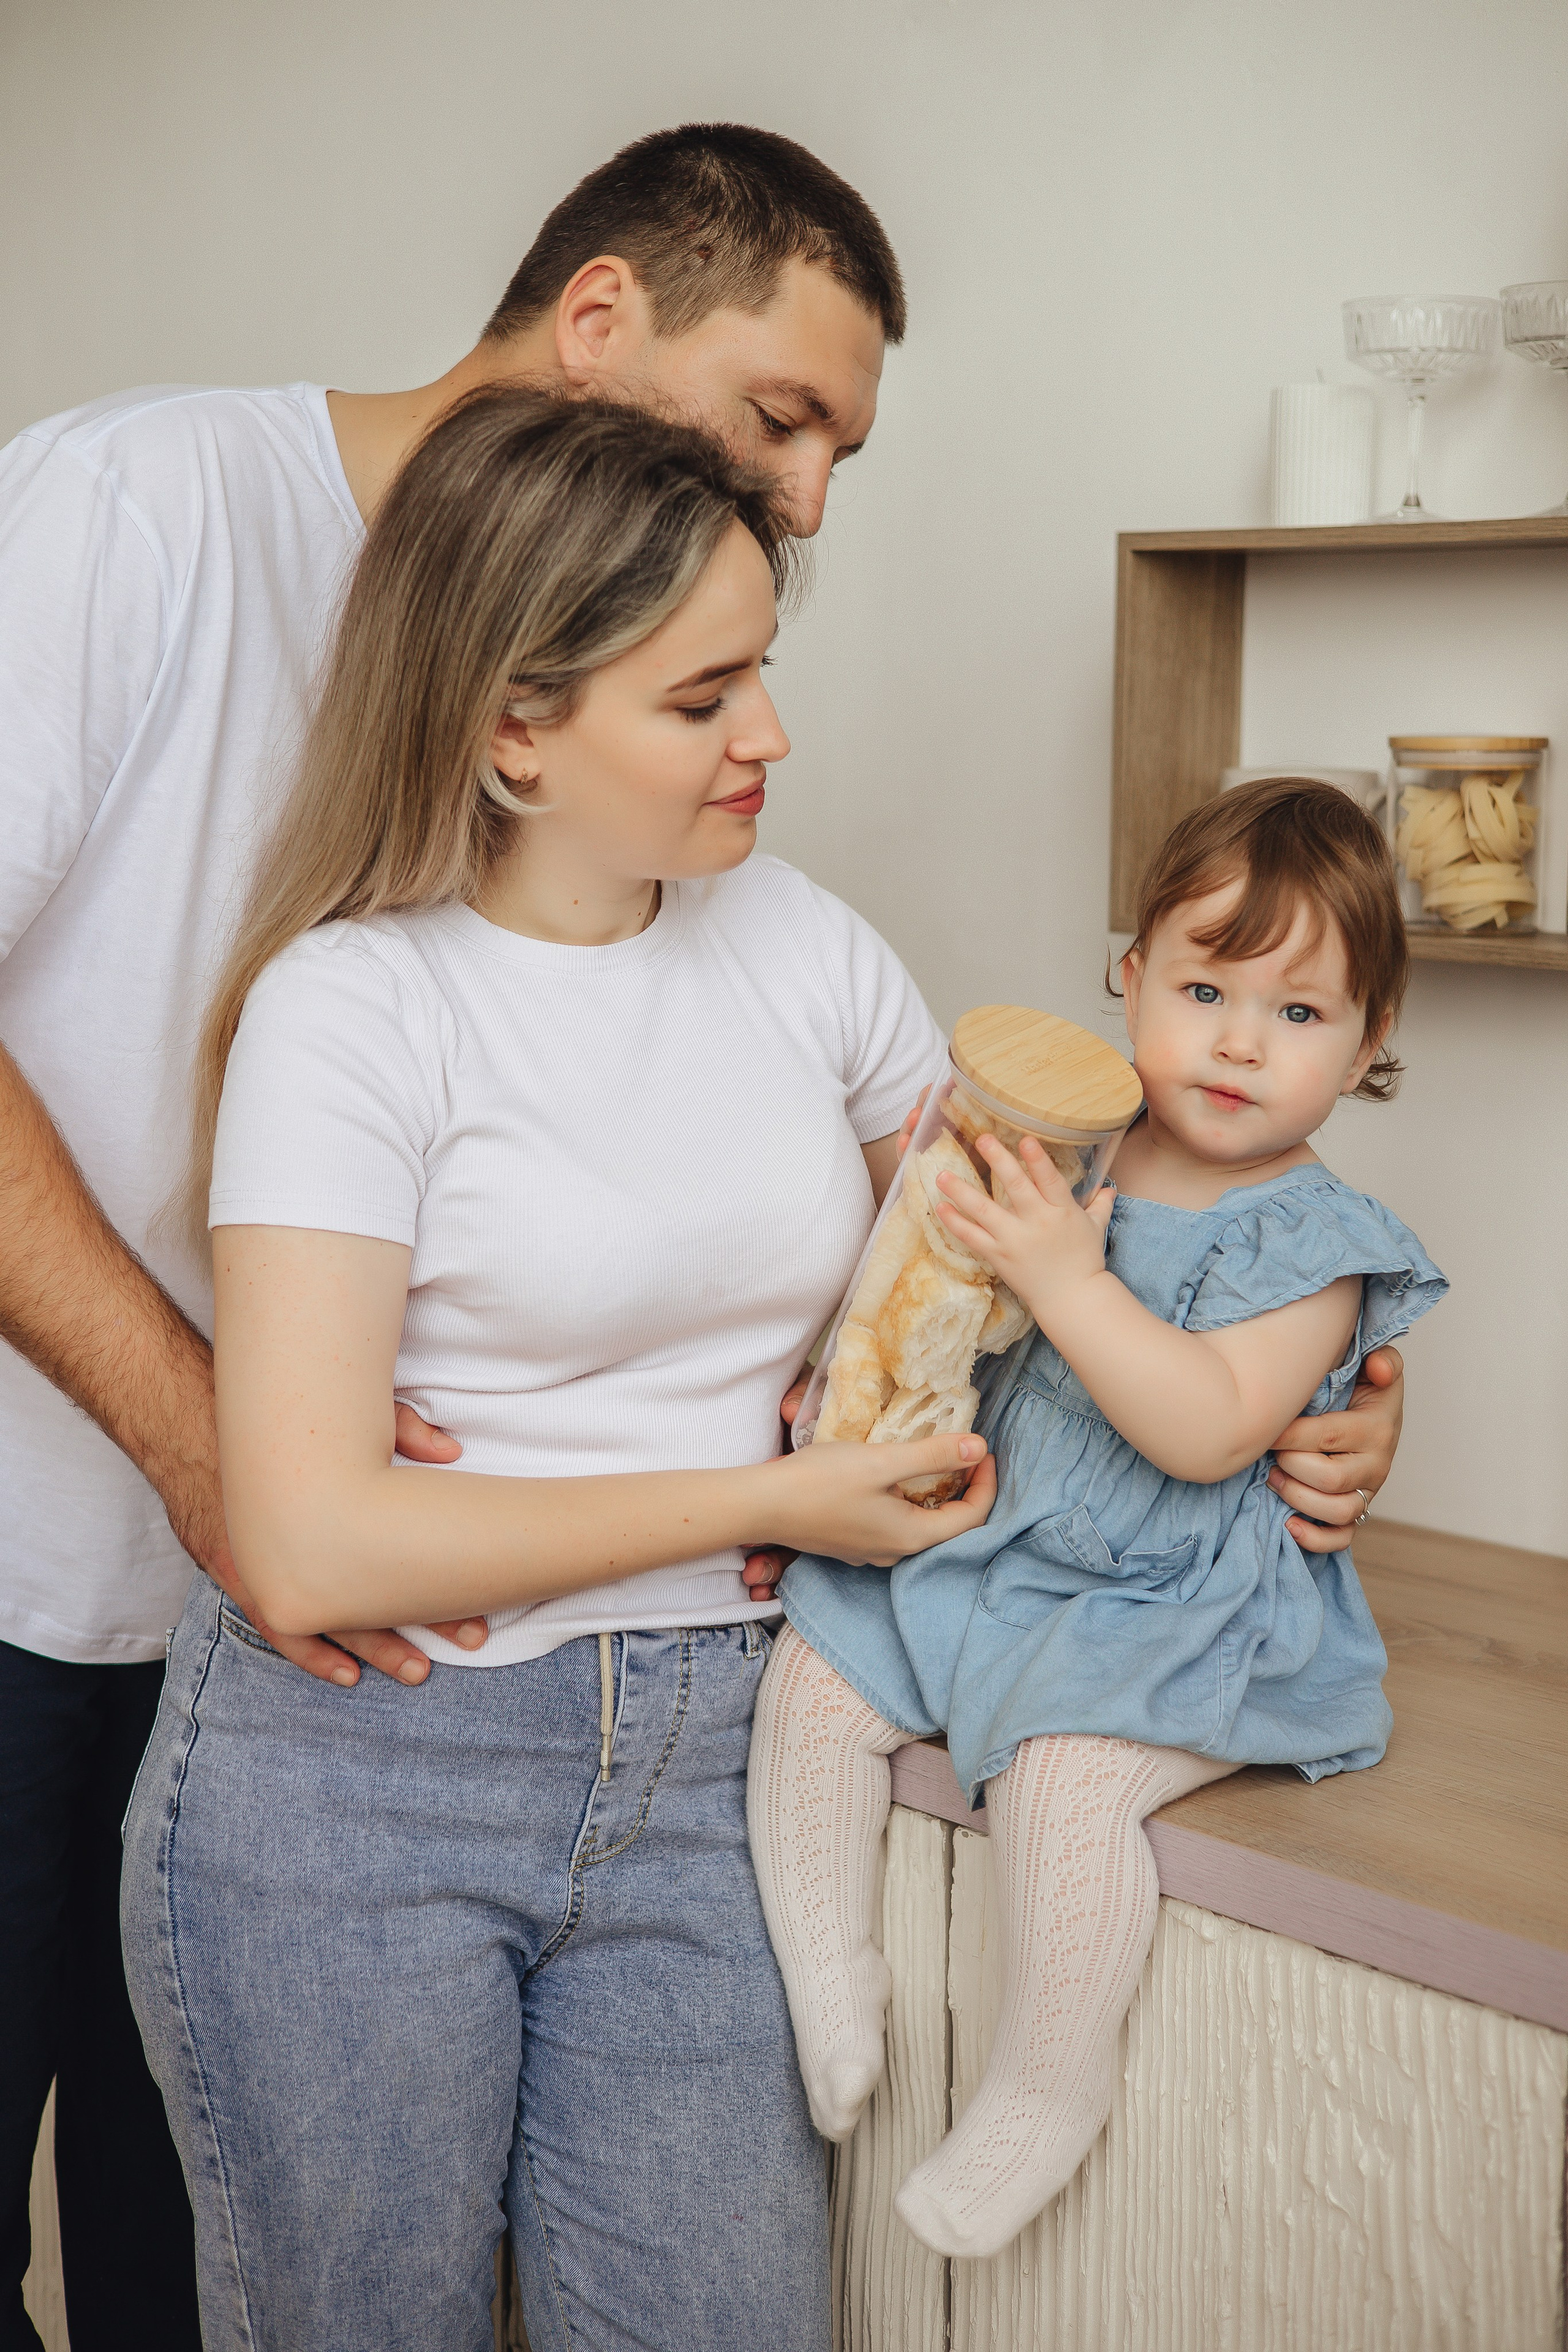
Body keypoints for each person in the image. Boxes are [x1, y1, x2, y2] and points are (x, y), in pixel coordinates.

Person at [0, 121, 908, 2351]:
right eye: (777, 415)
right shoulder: (139, 520)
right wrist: (223, 1452)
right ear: (599, 320)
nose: (804, 494)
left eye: (839, 452)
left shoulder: (743, 916)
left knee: (169, 2262)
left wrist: (1293, 1376)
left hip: (347, 1627)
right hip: (66, 1548)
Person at [122, 385, 1001, 2349]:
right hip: (364, 1792)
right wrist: (771, 1502)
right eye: (701, 701)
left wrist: (1308, 1369)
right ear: (516, 728)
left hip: (726, 1766)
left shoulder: (803, 948)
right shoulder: (353, 1013)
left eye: (761, 674)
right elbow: (320, 1545)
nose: (769, 734)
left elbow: (1006, 1278)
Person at [753, 779, 1446, 2261]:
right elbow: (952, 1309)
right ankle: (828, 1972)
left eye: (1301, 1013)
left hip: (1173, 1600)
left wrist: (1068, 1275)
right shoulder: (1078, 1149)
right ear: (1127, 978)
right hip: (1010, 1548)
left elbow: (1202, 1427)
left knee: (1063, 1782)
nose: (1239, 1042)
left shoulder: (1310, 1238)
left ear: (1370, 1044)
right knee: (813, 1673)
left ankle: (1042, 2090)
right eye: (1202, 987)